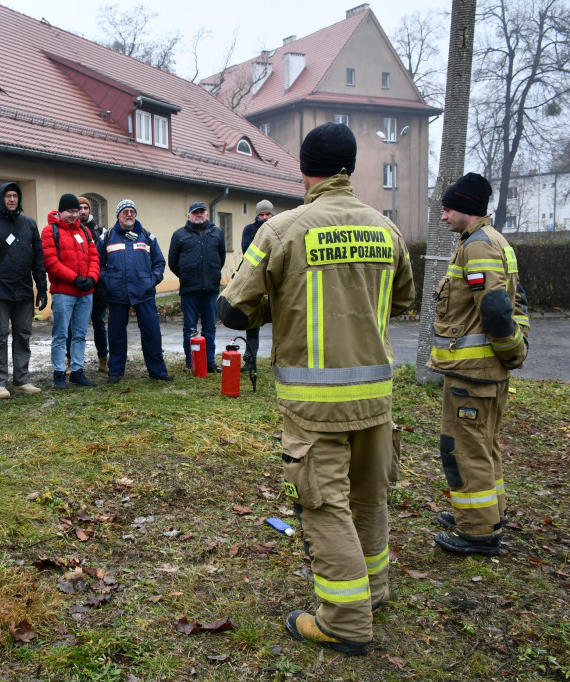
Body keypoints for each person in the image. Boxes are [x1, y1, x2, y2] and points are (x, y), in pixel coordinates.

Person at [217, 122, 414, 656]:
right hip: (376, 397)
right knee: (370, 497)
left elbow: (232, 310)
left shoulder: (281, 230)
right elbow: (402, 301)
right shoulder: (386, 229)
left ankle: (345, 622)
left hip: (313, 405)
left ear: (304, 170)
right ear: (350, 168)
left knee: (325, 506)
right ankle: (373, 592)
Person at [428, 172, 530, 557]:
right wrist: (511, 354)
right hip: (481, 372)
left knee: (463, 448)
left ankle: (478, 532)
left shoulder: (478, 248)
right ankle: (487, 513)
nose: (443, 217)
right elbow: (513, 299)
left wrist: (510, 352)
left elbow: (495, 307)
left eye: (448, 209)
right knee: (483, 445)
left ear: (467, 207)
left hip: (475, 372)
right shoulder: (489, 240)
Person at [0, 182, 48, 400]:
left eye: (15, 196)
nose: (12, 199)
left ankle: (22, 380)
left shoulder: (29, 224)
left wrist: (41, 288)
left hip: (23, 291)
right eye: (8, 196)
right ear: (0, 199)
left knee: (23, 336)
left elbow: (38, 260)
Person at [97, 199, 172, 383]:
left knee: (152, 333)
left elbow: (159, 262)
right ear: (118, 215)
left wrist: (152, 279)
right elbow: (98, 264)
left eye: (132, 211)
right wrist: (109, 281)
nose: (129, 214)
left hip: (143, 292)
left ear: (135, 214)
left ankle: (158, 371)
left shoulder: (147, 236)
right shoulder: (106, 238)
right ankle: (115, 372)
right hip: (117, 293)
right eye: (125, 211)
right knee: (116, 335)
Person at [42, 193, 100, 389]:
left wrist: (91, 278)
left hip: (85, 292)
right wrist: (75, 278)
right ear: (60, 211)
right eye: (70, 211)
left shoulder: (84, 231)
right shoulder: (50, 231)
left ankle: (77, 371)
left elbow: (94, 258)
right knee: (60, 334)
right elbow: (51, 262)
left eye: (77, 211)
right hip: (64, 292)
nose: (75, 215)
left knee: (80, 334)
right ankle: (59, 372)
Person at [168, 201, 226, 373]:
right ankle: (191, 361)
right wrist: (187, 276)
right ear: (189, 216)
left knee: (210, 327)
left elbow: (221, 258)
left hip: (210, 289)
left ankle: (209, 361)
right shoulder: (179, 235)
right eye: (195, 212)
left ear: (207, 215)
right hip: (189, 289)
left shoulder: (217, 233)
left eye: (202, 212)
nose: (199, 215)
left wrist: (211, 274)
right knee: (190, 328)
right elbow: (173, 262)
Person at [73, 196, 108, 373]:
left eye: (86, 208)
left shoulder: (101, 232)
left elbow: (106, 258)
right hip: (77, 286)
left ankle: (103, 361)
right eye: (79, 208)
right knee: (75, 327)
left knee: (99, 324)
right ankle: (72, 362)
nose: (83, 211)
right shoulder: (71, 230)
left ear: (90, 210)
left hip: (99, 287)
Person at [242, 200, 275, 360]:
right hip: (255, 280)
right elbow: (248, 252)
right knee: (252, 321)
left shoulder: (279, 229)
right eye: (261, 215)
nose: (264, 217)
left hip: (275, 279)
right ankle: (250, 358)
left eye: (268, 214)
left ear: (272, 214)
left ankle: (279, 357)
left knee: (279, 319)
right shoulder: (249, 230)